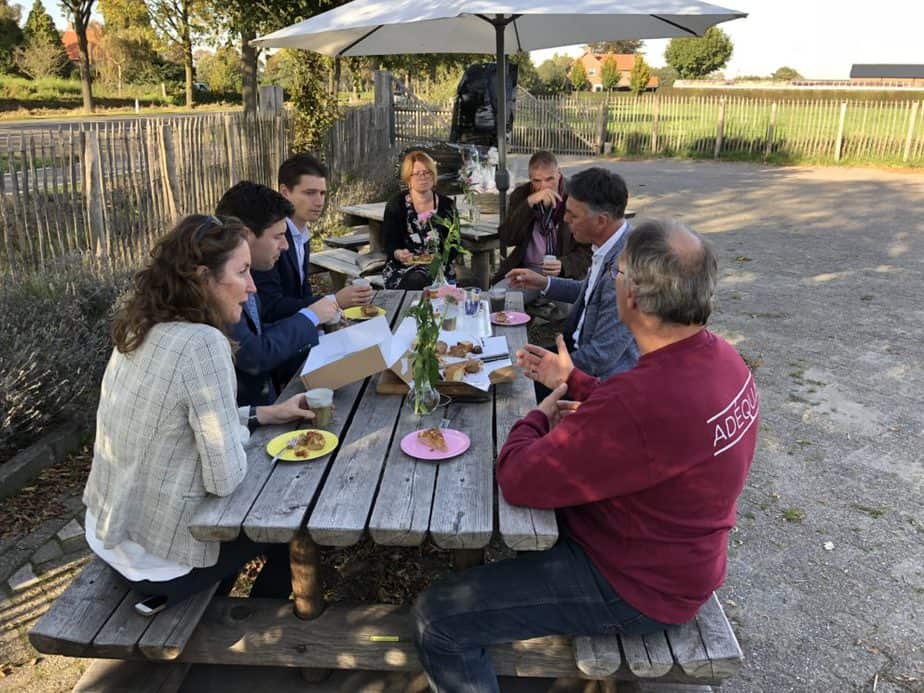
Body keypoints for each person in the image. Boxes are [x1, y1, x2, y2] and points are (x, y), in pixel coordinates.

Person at [412, 219, 759, 692]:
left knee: (439, 619)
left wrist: (537, 413)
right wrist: (575, 381)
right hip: (683, 560)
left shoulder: (641, 399)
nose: (613, 283)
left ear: (632, 297)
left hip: (636, 584)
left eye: (616, 274)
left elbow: (518, 477)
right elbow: (648, 420)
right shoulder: (725, 360)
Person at [83, 214, 318, 606]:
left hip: (109, 534)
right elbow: (224, 479)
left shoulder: (139, 325)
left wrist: (264, 415)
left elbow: (172, 423)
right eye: (242, 272)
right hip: (157, 562)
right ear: (202, 277)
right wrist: (241, 435)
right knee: (290, 522)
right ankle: (260, 636)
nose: (252, 287)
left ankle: (218, 595)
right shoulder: (202, 343)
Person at [505, 167, 637, 383]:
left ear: (601, 221)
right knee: (506, 364)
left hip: (599, 381)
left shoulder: (625, 269)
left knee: (513, 386)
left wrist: (549, 366)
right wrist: (544, 282)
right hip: (576, 354)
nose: (565, 219)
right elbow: (591, 293)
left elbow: (601, 356)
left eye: (572, 215)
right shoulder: (608, 245)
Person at [216, 181, 336, 405]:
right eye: (278, 236)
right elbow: (253, 354)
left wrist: (315, 329)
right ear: (246, 235)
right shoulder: (220, 284)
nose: (285, 246)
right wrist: (310, 317)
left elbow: (258, 333)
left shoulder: (247, 274)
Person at [253, 152, 372, 323]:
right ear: (285, 192)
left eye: (322, 193)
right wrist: (334, 301)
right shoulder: (271, 239)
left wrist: (331, 315)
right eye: (310, 193)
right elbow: (271, 307)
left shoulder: (302, 232)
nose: (319, 201)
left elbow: (303, 292)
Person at [491, 151, 591, 301]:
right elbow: (507, 237)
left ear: (559, 174)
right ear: (530, 179)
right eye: (537, 181)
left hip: (565, 273)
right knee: (498, 297)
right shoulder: (522, 195)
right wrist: (529, 204)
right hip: (529, 269)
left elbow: (589, 251)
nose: (544, 186)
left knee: (571, 311)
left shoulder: (575, 196)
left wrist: (564, 265)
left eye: (549, 179)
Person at [382, 150, 458, 290]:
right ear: (408, 178)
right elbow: (390, 244)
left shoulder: (447, 205)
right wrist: (399, 254)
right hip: (404, 268)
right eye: (417, 173)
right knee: (416, 280)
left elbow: (454, 243)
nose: (423, 177)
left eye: (427, 172)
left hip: (439, 268)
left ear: (433, 175)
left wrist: (440, 257)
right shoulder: (396, 205)